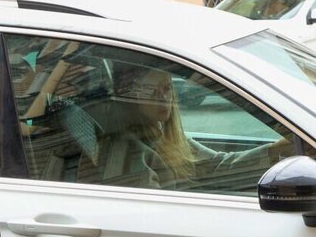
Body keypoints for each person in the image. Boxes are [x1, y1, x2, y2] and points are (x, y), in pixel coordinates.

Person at [100, 64, 291, 192]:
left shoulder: (163, 135)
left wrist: (275, 151)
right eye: (151, 91)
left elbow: (214, 165)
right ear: (131, 97)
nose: (164, 98)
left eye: (166, 88)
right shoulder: (131, 152)